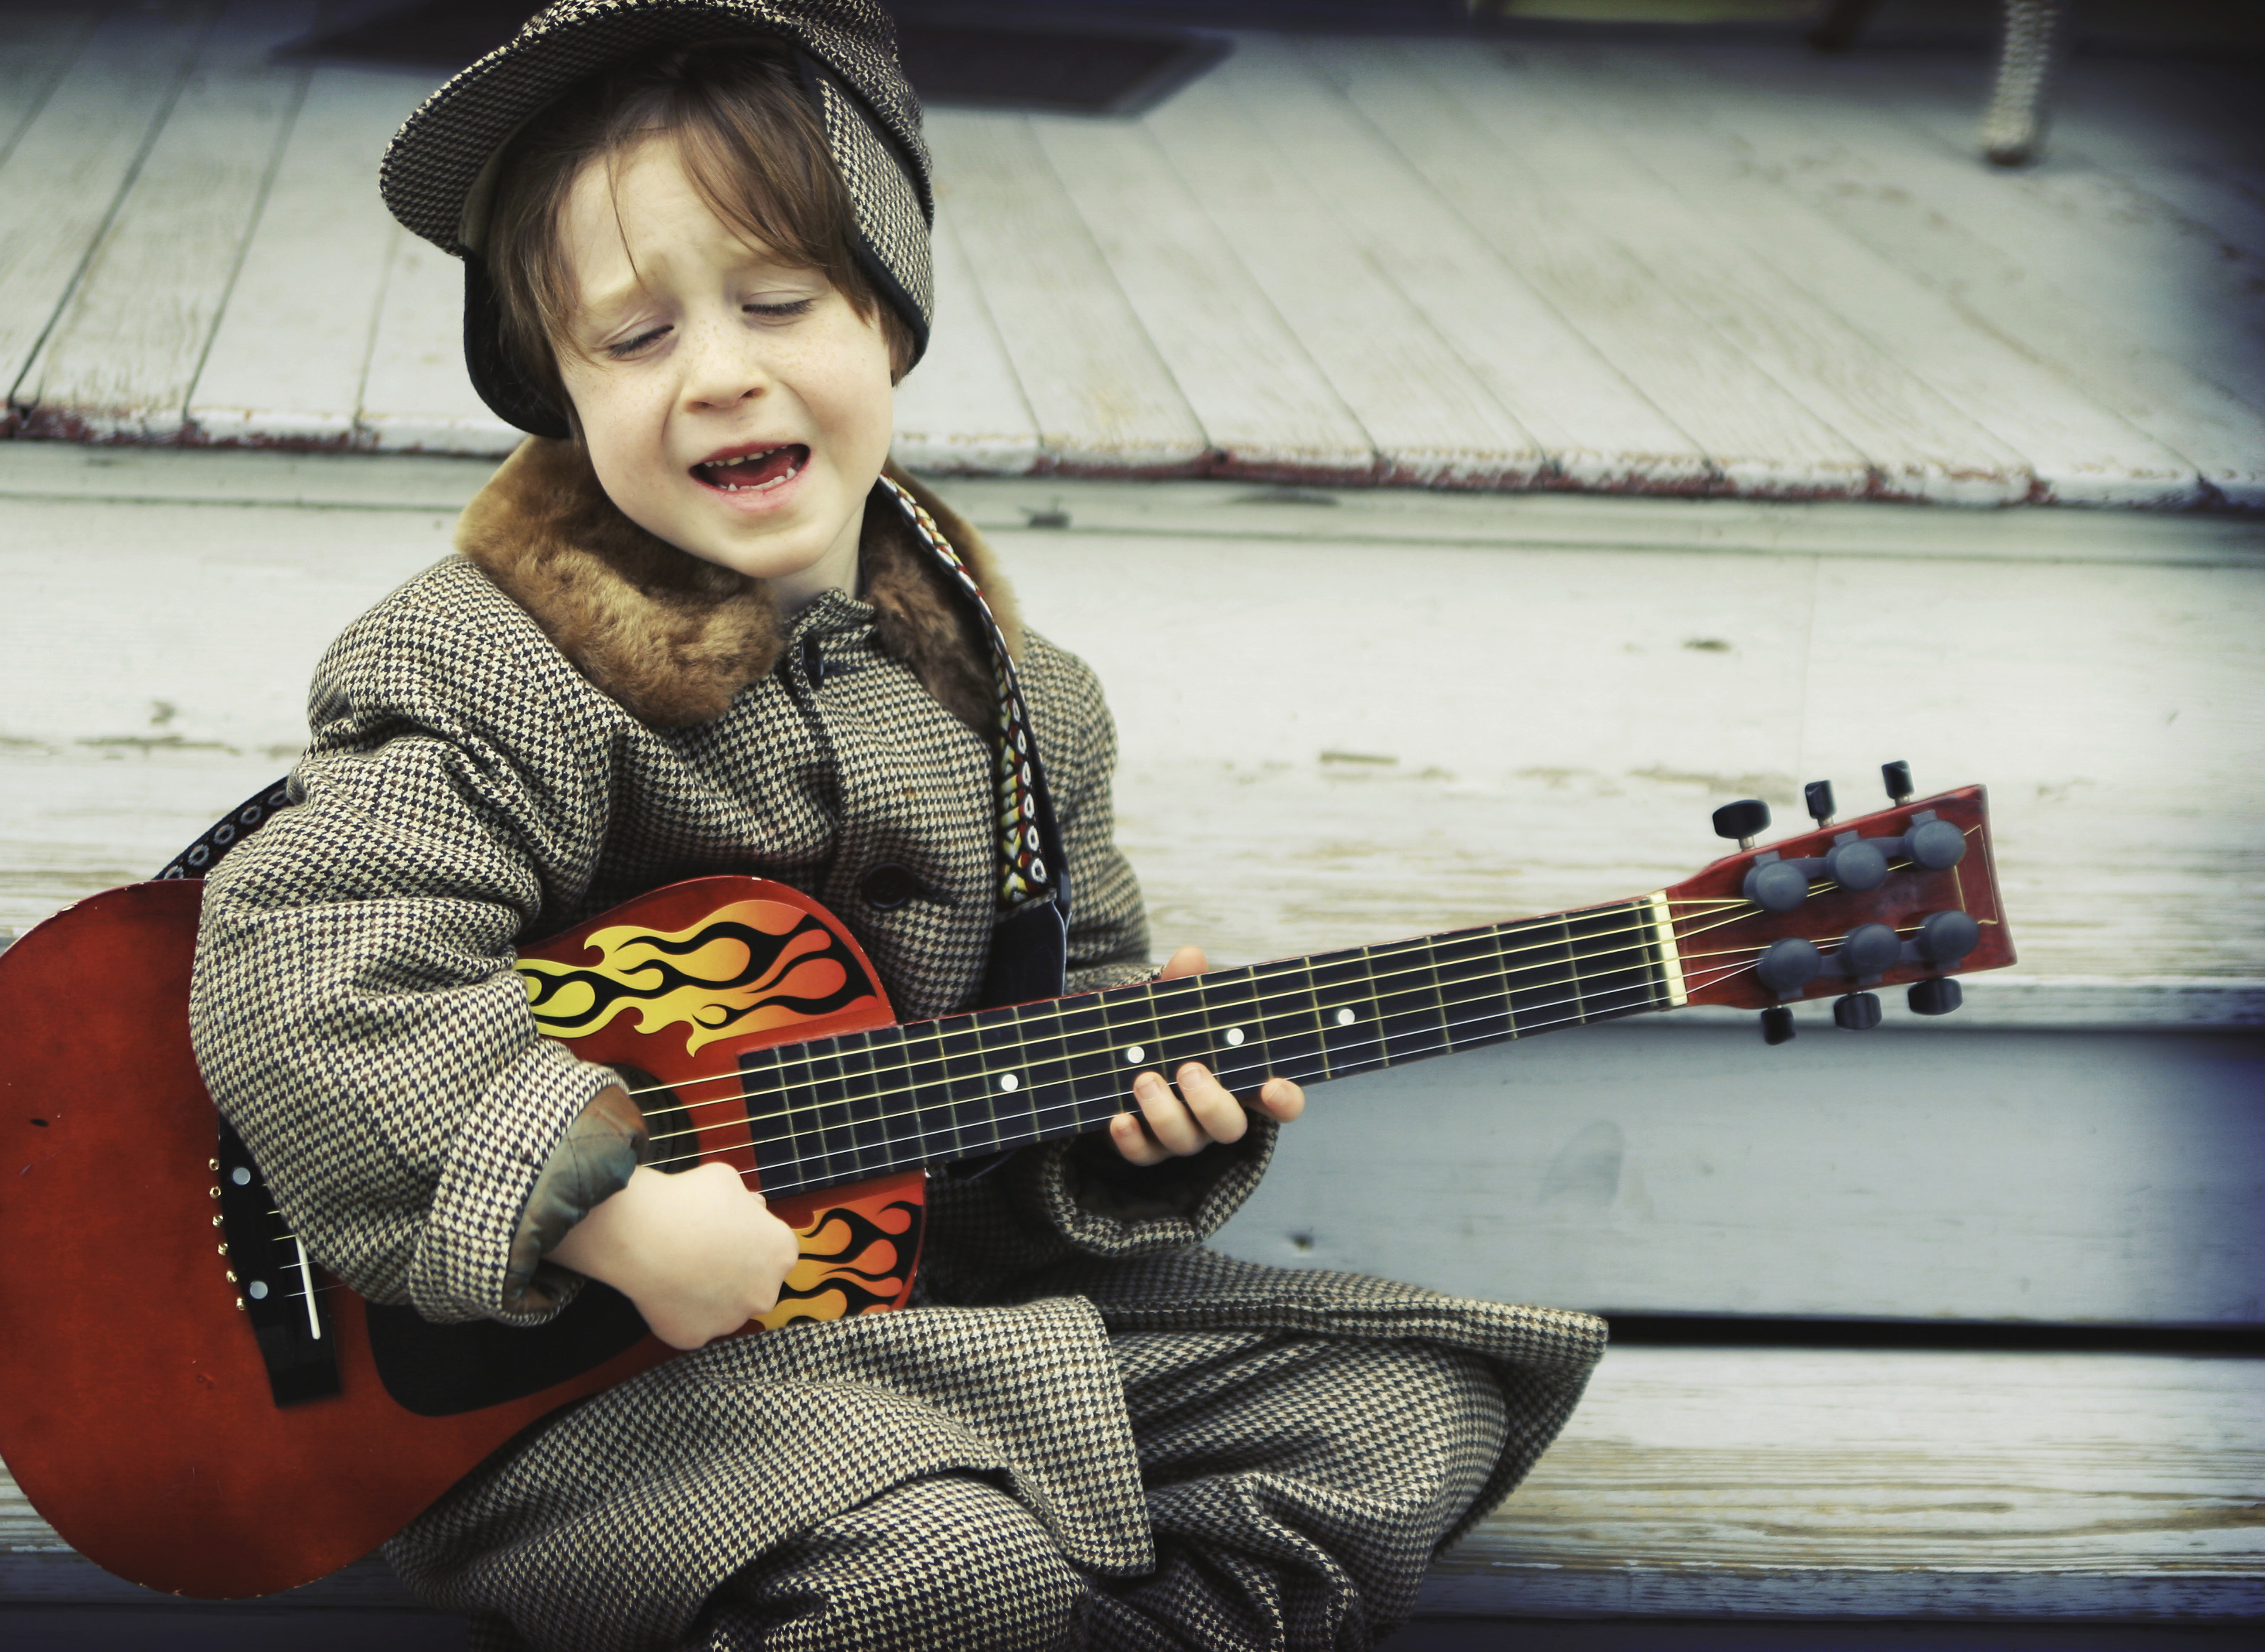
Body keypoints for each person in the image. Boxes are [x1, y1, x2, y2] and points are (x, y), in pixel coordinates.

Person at [189, 5, 1604, 1648]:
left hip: (919, 1328)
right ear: (559, 391)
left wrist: (1130, 1131)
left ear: (891, 320)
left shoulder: (1028, 713)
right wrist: (603, 1202)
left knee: (1406, 1412)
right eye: (632, 338)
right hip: (558, 1390)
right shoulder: (498, 662)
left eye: (780, 300)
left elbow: (995, 1116)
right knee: (945, 1567)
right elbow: (305, 965)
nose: (721, 371)